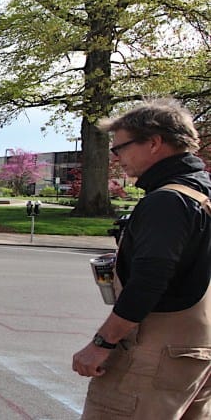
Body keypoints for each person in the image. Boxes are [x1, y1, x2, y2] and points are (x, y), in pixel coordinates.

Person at [73, 98, 211, 418]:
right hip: (195, 351)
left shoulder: (168, 201)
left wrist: (102, 343)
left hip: (156, 353)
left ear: (154, 143)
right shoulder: (200, 192)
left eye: (121, 147)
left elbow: (149, 282)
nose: (116, 156)